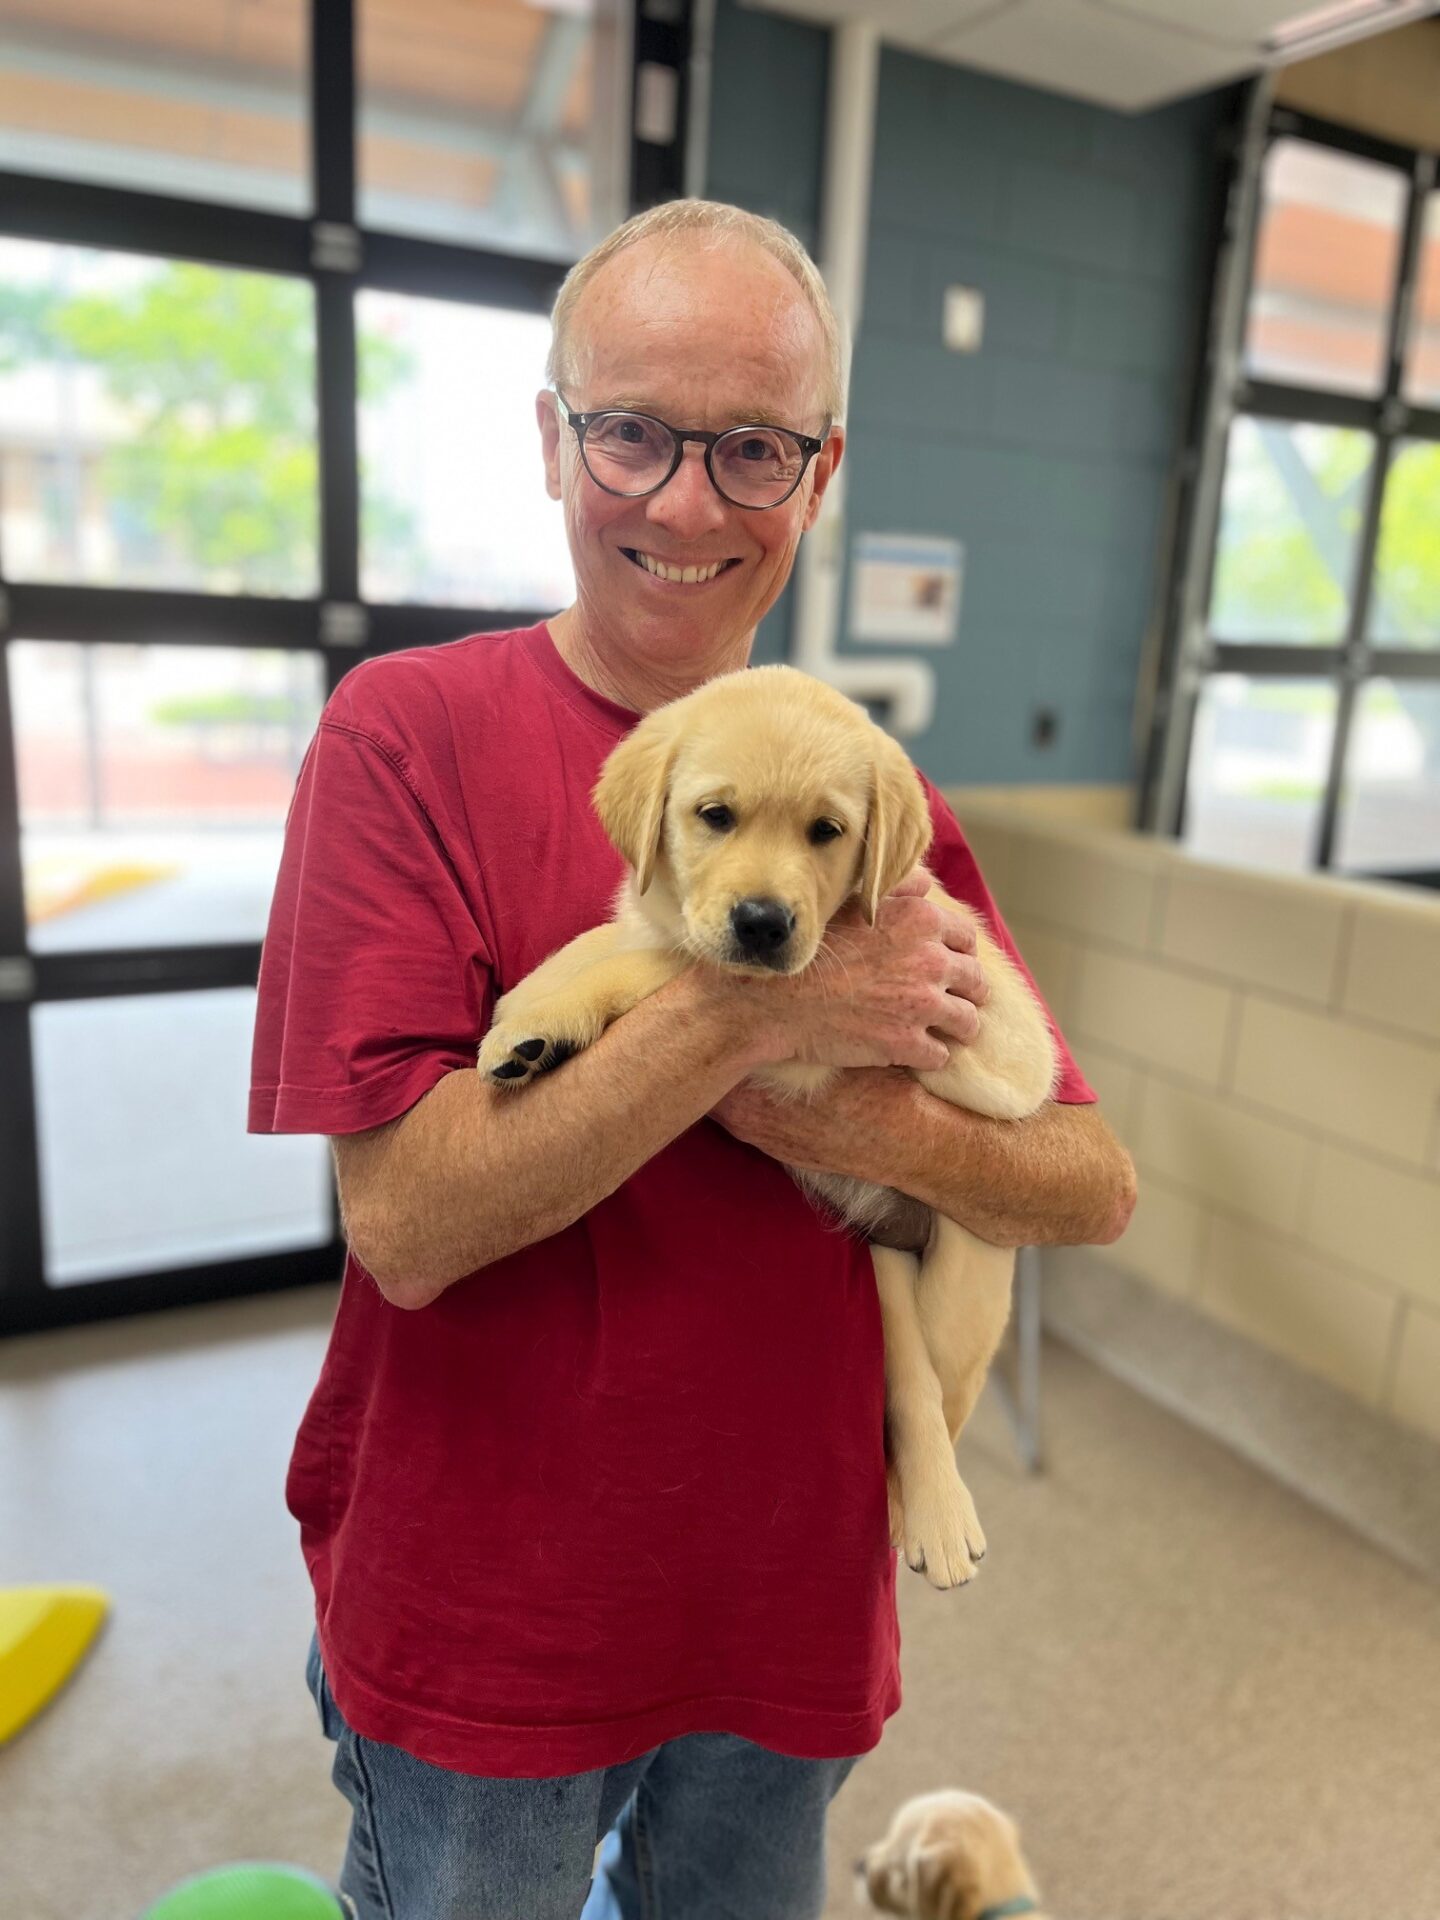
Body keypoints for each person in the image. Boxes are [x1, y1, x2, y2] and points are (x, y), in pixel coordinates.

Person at [249, 199, 1135, 1920]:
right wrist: (758, 1010)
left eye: (753, 448)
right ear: (552, 439)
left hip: (789, 1608)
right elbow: (411, 1229)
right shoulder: (406, 737)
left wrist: (882, 1132)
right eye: (634, 432)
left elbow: (1087, 1184)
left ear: (818, 475)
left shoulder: (886, 802)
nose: (684, 501)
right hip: (496, 1624)